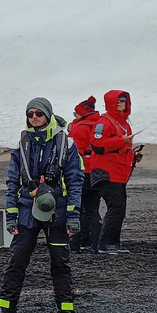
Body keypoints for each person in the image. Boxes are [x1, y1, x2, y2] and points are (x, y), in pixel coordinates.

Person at [0, 97, 83, 313]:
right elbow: (12, 182)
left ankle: (66, 311)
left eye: (38, 113)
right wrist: (11, 216)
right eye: (30, 113)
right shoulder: (20, 145)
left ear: (48, 114)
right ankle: (6, 309)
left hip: (57, 211)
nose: (34, 117)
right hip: (26, 210)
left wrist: (74, 215)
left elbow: (75, 181)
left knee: (60, 262)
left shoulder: (68, 144)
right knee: (17, 260)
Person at [90, 90, 140, 255]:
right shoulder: (104, 122)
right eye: (117, 100)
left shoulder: (124, 124)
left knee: (118, 207)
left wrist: (134, 156)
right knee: (116, 206)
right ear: (110, 102)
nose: (120, 103)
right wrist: (120, 140)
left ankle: (110, 244)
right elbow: (97, 144)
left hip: (117, 172)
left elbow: (121, 149)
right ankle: (106, 245)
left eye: (123, 100)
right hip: (106, 171)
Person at [67, 97, 101, 253]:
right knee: (93, 210)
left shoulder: (79, 129)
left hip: (81, 173)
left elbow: (71, 153)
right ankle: (94, 243)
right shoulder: (99, 125)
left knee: (77, 209)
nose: (74, 116)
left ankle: (75, 244)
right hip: (97, 172)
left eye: (76, 114)